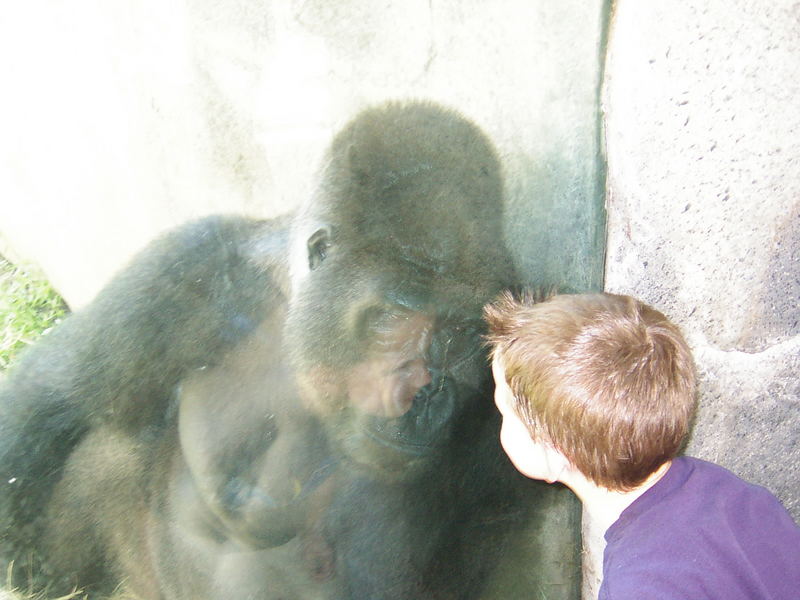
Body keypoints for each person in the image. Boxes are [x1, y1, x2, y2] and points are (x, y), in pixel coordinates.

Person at [483, 291, 800, 600]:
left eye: (504, 410)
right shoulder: (727, 491)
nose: (500, 418)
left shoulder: (639, 587)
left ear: (552, 455)